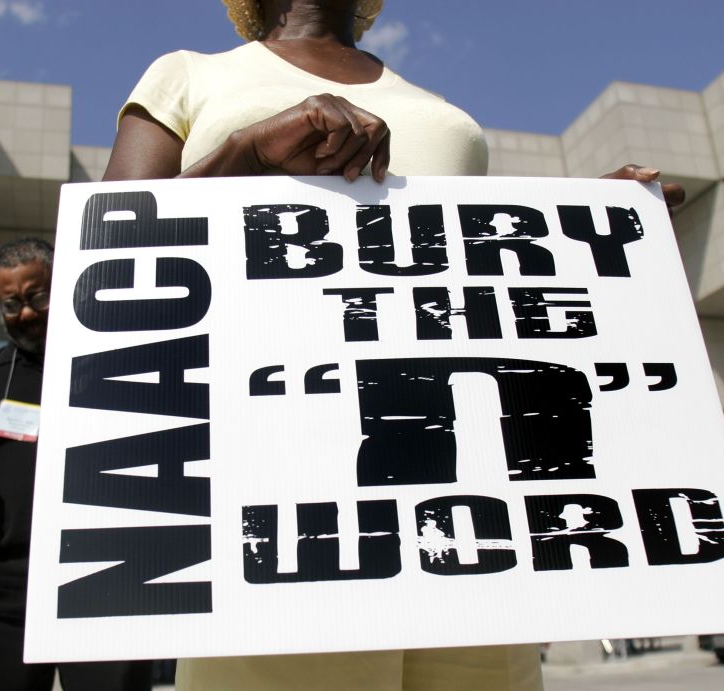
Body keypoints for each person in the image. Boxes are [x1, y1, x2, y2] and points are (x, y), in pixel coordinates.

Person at [103, 1, 686, 690]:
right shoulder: (187, 74)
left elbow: (463, 273)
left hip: (464, 500)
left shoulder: (434, 104)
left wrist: (585, 227)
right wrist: (248, 152)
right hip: (283, 489)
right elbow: (114, 256)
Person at [0, 238, 152, 691]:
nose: (25, 313)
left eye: (37, 296)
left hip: (106, 584)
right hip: (2, 595)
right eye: (10, 304)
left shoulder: (124, 363)